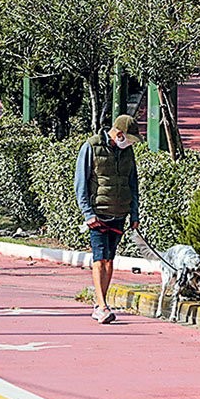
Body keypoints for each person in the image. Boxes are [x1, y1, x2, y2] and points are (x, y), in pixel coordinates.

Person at [75, 115, 140, 324]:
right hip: (98, 214)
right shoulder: (91, 147)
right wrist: (87, 213)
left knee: (110, 259)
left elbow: (133, 184)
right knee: (99, 258)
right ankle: (102, 305)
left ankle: (99, 303)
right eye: (128, 139)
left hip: (119, 213)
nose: (129, 143)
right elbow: (81, 183)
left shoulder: (127, 152)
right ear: (119, 134)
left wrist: (134, 214)